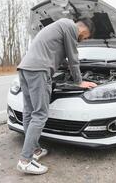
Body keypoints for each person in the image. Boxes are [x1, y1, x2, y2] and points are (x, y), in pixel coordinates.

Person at [16, 17, 97, 175]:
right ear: (85, 30)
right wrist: (79, 81)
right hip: (39, 70)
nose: (84, 39)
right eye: (86, 37)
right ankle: (25, 160)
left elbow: (61, 57)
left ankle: (35, 150)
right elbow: (73, 59)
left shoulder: (60, 26)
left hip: (25, 68)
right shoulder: (70, 27)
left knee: (29, 112)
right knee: (40, 115)